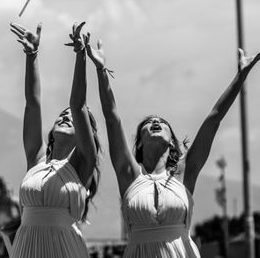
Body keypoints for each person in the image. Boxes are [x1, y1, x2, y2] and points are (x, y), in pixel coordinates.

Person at [86, 36, 260, 258]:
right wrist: (101, 72)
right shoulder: (129, 174)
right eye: (148, 123)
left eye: (162, 123)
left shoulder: (185, 171)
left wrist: (240, 76)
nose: (155, 122)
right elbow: (112, 119)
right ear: (139, 142)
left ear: (171, 141)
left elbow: (213, 120)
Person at [8, 22, 101, 258]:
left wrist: (80, 56)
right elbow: (32, 103)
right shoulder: (36, 160)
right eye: (61, 116)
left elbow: (77, 105)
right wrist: (32, 55)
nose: (65, 117)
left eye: (72, 119)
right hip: (25, 249)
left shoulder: (82, 163)